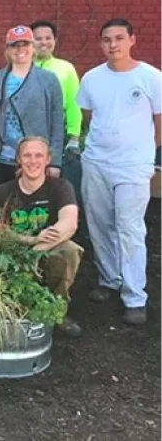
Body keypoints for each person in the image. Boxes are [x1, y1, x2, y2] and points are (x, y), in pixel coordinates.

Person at [77, 19, 162, 325]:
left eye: (119, 38)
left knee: (129, 227)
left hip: (133, 166)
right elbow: (88, 117)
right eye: (106, 40)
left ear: (132, 40)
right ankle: (109, 279)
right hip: (97, 161)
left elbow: (159, 121)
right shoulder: (91, 79)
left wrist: (143, 152)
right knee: (99, 223)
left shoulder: (151, 78)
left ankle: (134, 296)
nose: (113, 45)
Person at [0, 136, 84, 337]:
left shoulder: (60, 187)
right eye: (27, 155)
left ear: (48, 159)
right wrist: (32, 241)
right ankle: (19, 310)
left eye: (38, 155)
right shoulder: (3, 191)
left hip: (48, 249)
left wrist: (37, 250)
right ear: (18, 159)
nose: (33, 161)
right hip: (14, 251)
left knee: (70, 250)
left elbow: (69, 223)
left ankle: (58, 311)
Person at [0, 25, 64, 191]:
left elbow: (56, 123)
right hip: (0, 159)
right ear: (7, 49)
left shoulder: (49, 80)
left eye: (25, 44)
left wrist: (55, 161)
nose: (20, 50)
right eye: (14, 45)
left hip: (35, 161)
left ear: (33, 48)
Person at [30, 20, 84, 200]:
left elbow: (73, 103)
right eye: (38, 39)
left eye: (48, 38)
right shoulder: (23, 67)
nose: (43, 43)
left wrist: (74, 136)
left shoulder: (65, 68)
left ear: (55, 40)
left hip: (56, 131)